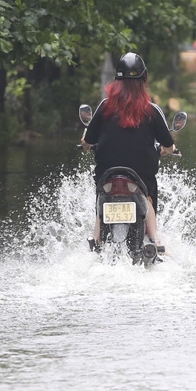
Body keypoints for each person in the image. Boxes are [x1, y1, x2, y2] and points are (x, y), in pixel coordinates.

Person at [80, 52, 176, 247]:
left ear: (117, 80)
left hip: (108, 177)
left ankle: (96, 242)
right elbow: (169, 146)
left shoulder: (105, 107)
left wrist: (86, 143)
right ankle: (156, 243)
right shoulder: (152, 110)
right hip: (140, 177)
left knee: (102, 198)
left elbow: (88, 141)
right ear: (145, 79)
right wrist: (167, 150)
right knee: (147, 196)